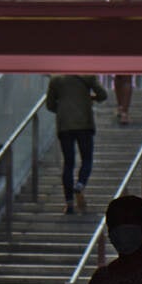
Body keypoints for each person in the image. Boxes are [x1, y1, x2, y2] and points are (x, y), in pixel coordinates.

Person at [46, 74, 108, 214]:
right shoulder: (87, 75)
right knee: (87, 159)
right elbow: (103, 95)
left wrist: (62, 109)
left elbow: (49, 105)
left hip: (65, 125)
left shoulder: (56, 79)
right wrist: (91, 98)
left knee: (68, 163)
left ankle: (69, 203)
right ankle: (80, 184)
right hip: (84, 123)